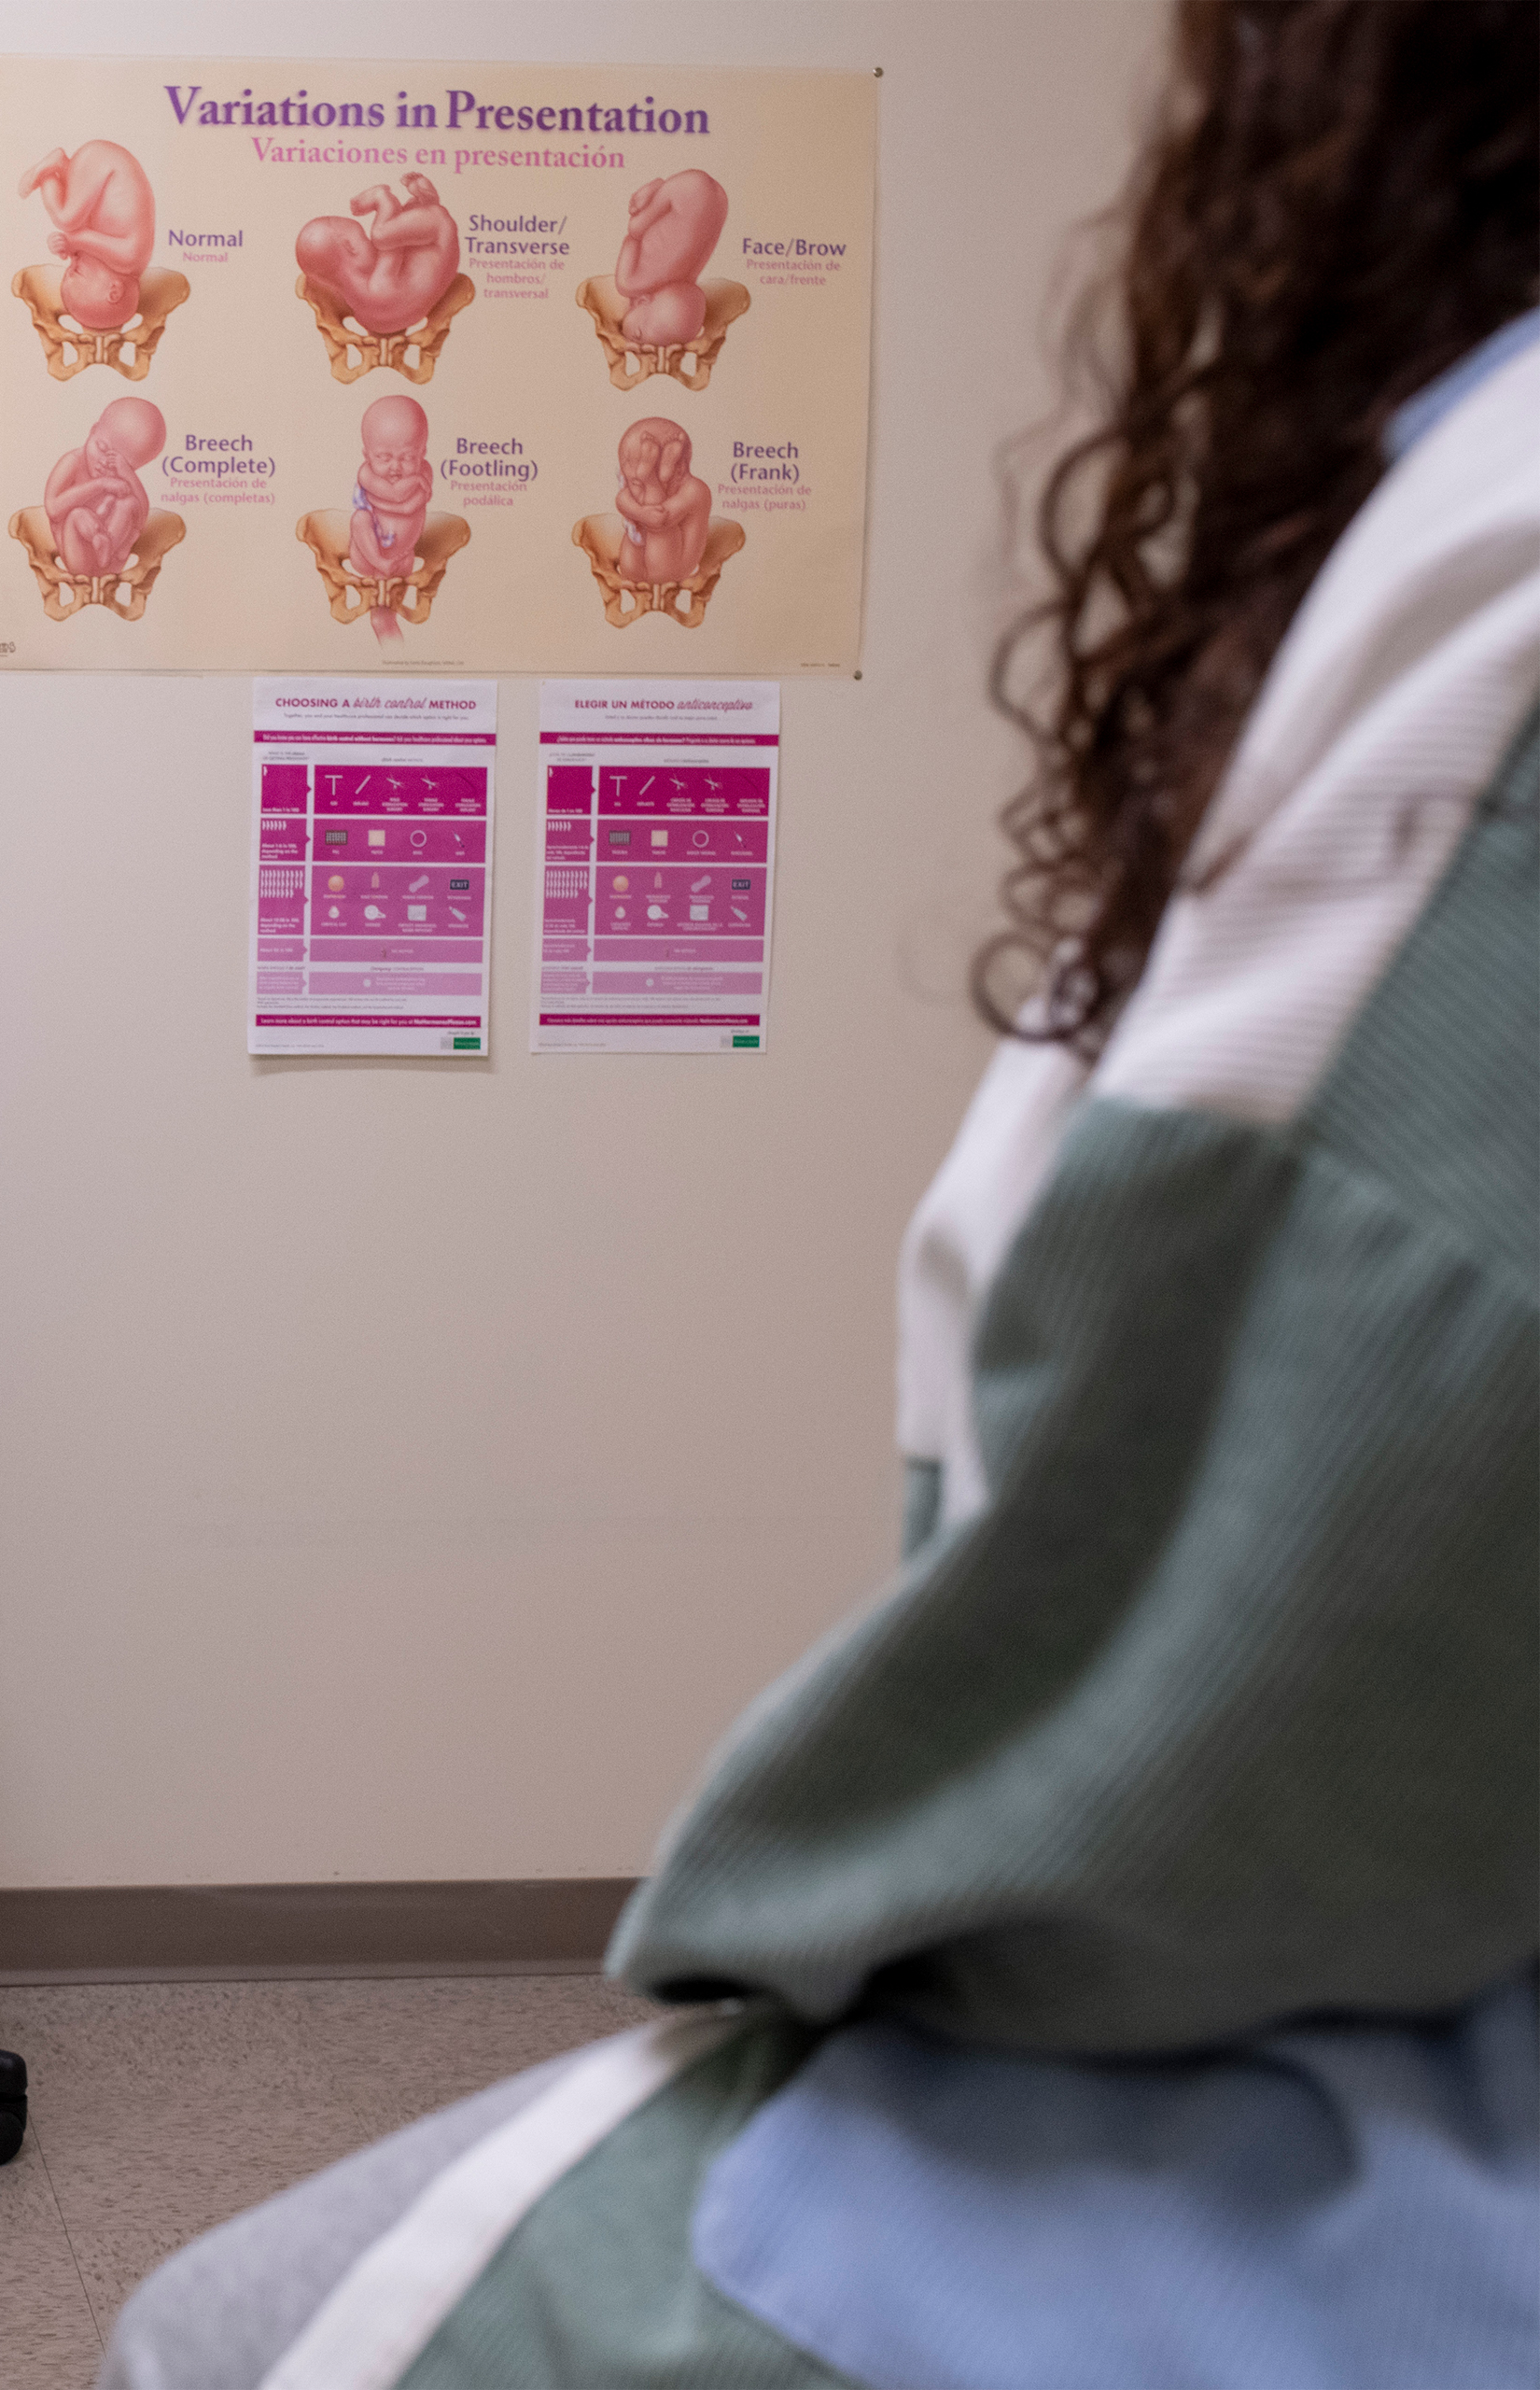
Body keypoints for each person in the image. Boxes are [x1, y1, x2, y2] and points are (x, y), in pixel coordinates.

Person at [105, 3, 1540, 2383]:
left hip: (1326, 2007)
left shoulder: (1491, 553)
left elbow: (1229, 1673)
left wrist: (829, 1943)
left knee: (236, 2335)